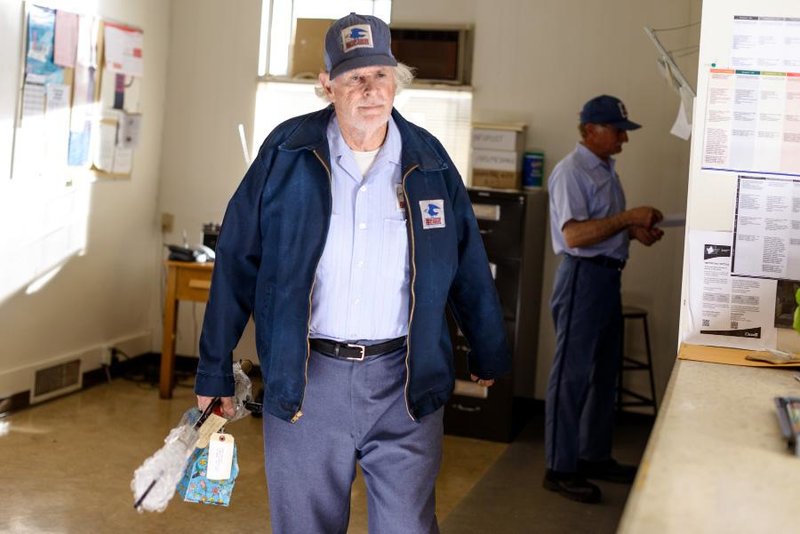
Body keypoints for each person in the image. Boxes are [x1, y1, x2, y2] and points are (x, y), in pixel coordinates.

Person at [193, 12, 509, 534]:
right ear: (327, 85)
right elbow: (236, 260)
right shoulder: (286, 153)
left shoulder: (429, 160)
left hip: (405, 381)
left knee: (408, 526)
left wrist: (488, 346)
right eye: (354, 77)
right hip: (306, 381)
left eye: (380, 74)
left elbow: (466, 259)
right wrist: (212, 370)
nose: (370, 89)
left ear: (396, 80)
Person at [542, 95, 664, 504]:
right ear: (590, 130)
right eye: (617, 131)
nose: (623, 140)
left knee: (603, 373)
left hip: (607, 278)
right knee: (572, 374)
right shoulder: (571, 172)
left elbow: (600, 226)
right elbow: (574, 235)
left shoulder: (605, 169)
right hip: (583, 278)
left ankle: (593, 456)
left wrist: (631, 232)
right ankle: (559, 468)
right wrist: (628, 218)